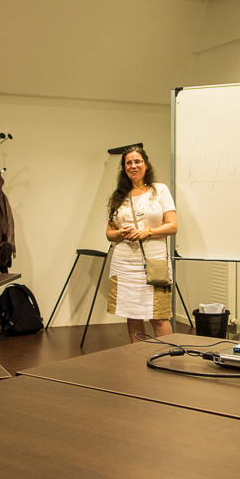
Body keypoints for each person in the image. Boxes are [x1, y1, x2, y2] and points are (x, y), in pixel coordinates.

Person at [105, 146, 177, 343]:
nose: (133, 166)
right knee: (133, 314)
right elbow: (109, 234)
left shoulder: (159, 190)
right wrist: (121, 233)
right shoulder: (118, 196)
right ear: (124, 168)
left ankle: (166, 359)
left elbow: (172, 226)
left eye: (137, 161)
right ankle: (137, 361)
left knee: (159, 316)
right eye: (128, 163)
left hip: (155, 263)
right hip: (125, 263)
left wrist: (145, 232)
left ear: (146, 164)